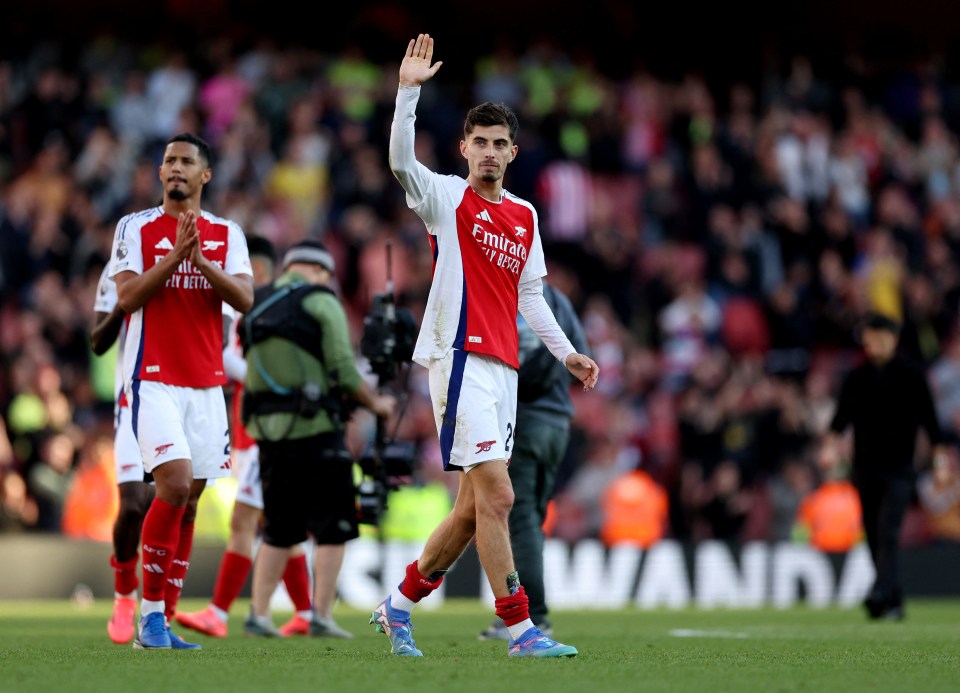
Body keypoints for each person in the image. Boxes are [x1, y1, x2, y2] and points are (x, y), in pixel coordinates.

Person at [369, 34, 599, 659]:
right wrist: (407, 92)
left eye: (501, 144)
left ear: (513, 152)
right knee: (500, 494)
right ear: (464, 149)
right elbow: (397, 162)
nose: (490, 153)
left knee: (473, 511)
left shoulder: (525, 216)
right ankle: (522, 628)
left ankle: (396, 607)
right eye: (481, 143)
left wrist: (565, 353)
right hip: (459, 358)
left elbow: (531, 299)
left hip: (505, 371)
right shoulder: (446, 196)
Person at [109, 132, 254, 649]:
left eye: (186, 161)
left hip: (207, 387)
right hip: (154, 379)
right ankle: (149, 617)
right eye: (168, 160)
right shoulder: (136, 227)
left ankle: (164, 616)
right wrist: (174, 259)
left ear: (205, 175)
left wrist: (202, 263)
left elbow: (244, 298)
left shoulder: (226, 232)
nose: (174, 168)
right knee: (170, 484)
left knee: (190, 503)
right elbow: (126, 298)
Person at [239, 238, 397, 638]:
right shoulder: (322, 301)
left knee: (278, 526)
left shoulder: (255, 302)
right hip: (316, 429)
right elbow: (344, 370)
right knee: (332, 524)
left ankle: (258, 614)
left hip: (268, 432)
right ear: (322, 271)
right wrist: (376, 404)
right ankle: (321, 615)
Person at [174, 235, 315, 639]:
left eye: (246, 268)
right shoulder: (245, 310)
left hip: (263, 434)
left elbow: (250, 366)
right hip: (253, 431)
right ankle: (306, 611)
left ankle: (219, 612)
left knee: (244, 520)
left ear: (265, 270)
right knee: (277, 522)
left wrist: (228, 366)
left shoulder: (265, 312)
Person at [819, 311, 949, 621]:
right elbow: (839, 420)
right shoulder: (857, 377)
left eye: (879, 336)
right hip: (865, 468)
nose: (873, 343)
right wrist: (829, 447)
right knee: (873, 534)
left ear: (893, 339)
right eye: (869, 337)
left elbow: (932, 424)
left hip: (899, 468)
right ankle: (891, 598)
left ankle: (879, 592)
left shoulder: (912, 375)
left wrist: (940, 462)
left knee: (888, 530)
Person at [477, 281, 590, 640]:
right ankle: (533, 610)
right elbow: (580, 355)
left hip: (523, 422)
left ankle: (533, 615)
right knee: (532, 518)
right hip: (557, 424)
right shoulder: (558, 300)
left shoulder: (503, 295)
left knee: (520, 520)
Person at [90, 258, 155, 645]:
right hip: (133, 400)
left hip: (182, 396)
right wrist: (126, 299)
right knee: (132, 504)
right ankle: (124, 593)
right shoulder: (120, 266)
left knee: (173, 501)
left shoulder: (192, 258)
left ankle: (160, 607)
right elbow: (98, 341)